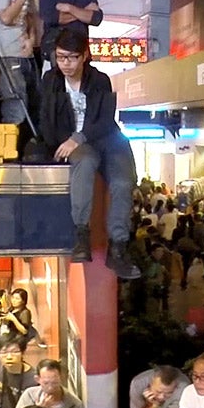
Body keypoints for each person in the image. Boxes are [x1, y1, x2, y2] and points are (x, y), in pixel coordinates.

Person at [29, 27, 140, 278]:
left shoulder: (100, 79)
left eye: (72, 57)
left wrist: (78, 137)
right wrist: (56, 144)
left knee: (122, 183)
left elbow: (104, 119)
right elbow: (46, 119)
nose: (66, 64)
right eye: (60, 57)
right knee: (86, 162)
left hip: (106, 138)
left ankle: (118, 247)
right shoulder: (51, 81)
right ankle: (81, 235)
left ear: (85, 56)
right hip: (73, 144)